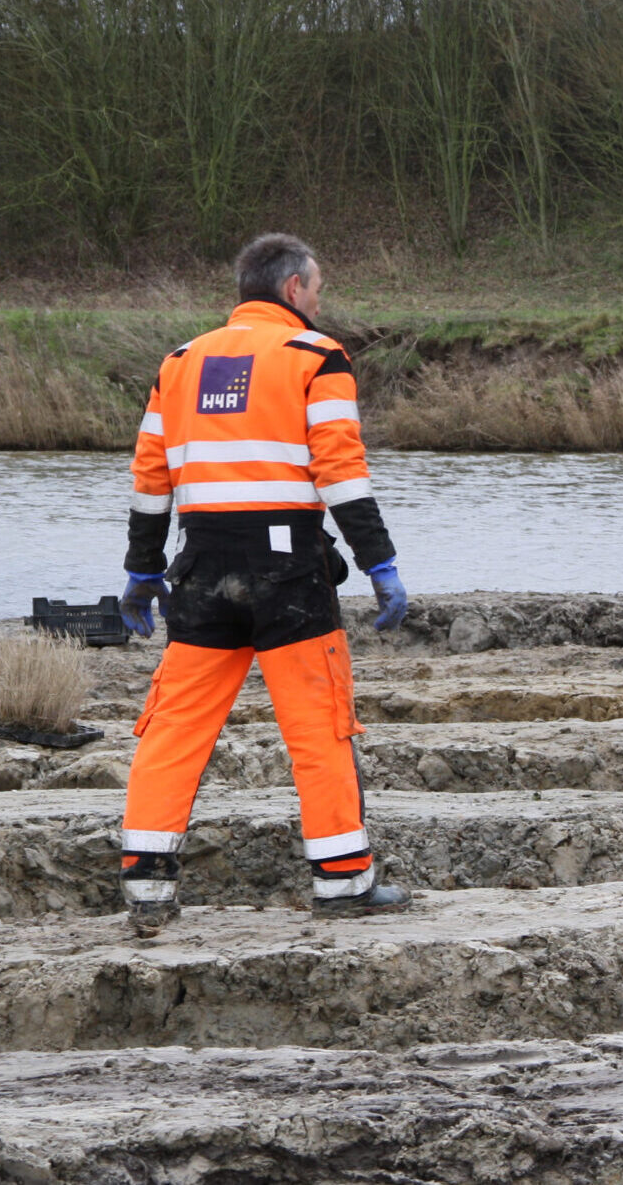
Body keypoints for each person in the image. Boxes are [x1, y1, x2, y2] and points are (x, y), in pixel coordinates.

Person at [113, 233, 412, 932]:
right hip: (289, 571)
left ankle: (146, 884)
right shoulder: (316, 357)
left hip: (201, 566)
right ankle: (342, 880)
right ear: (291, 291)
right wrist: (380, 562)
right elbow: (341, 471)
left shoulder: (179, 364)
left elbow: (151, 481)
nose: (318, 300)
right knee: (318, 727)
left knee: (174, 728)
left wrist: (141, 568)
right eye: (316, 288)